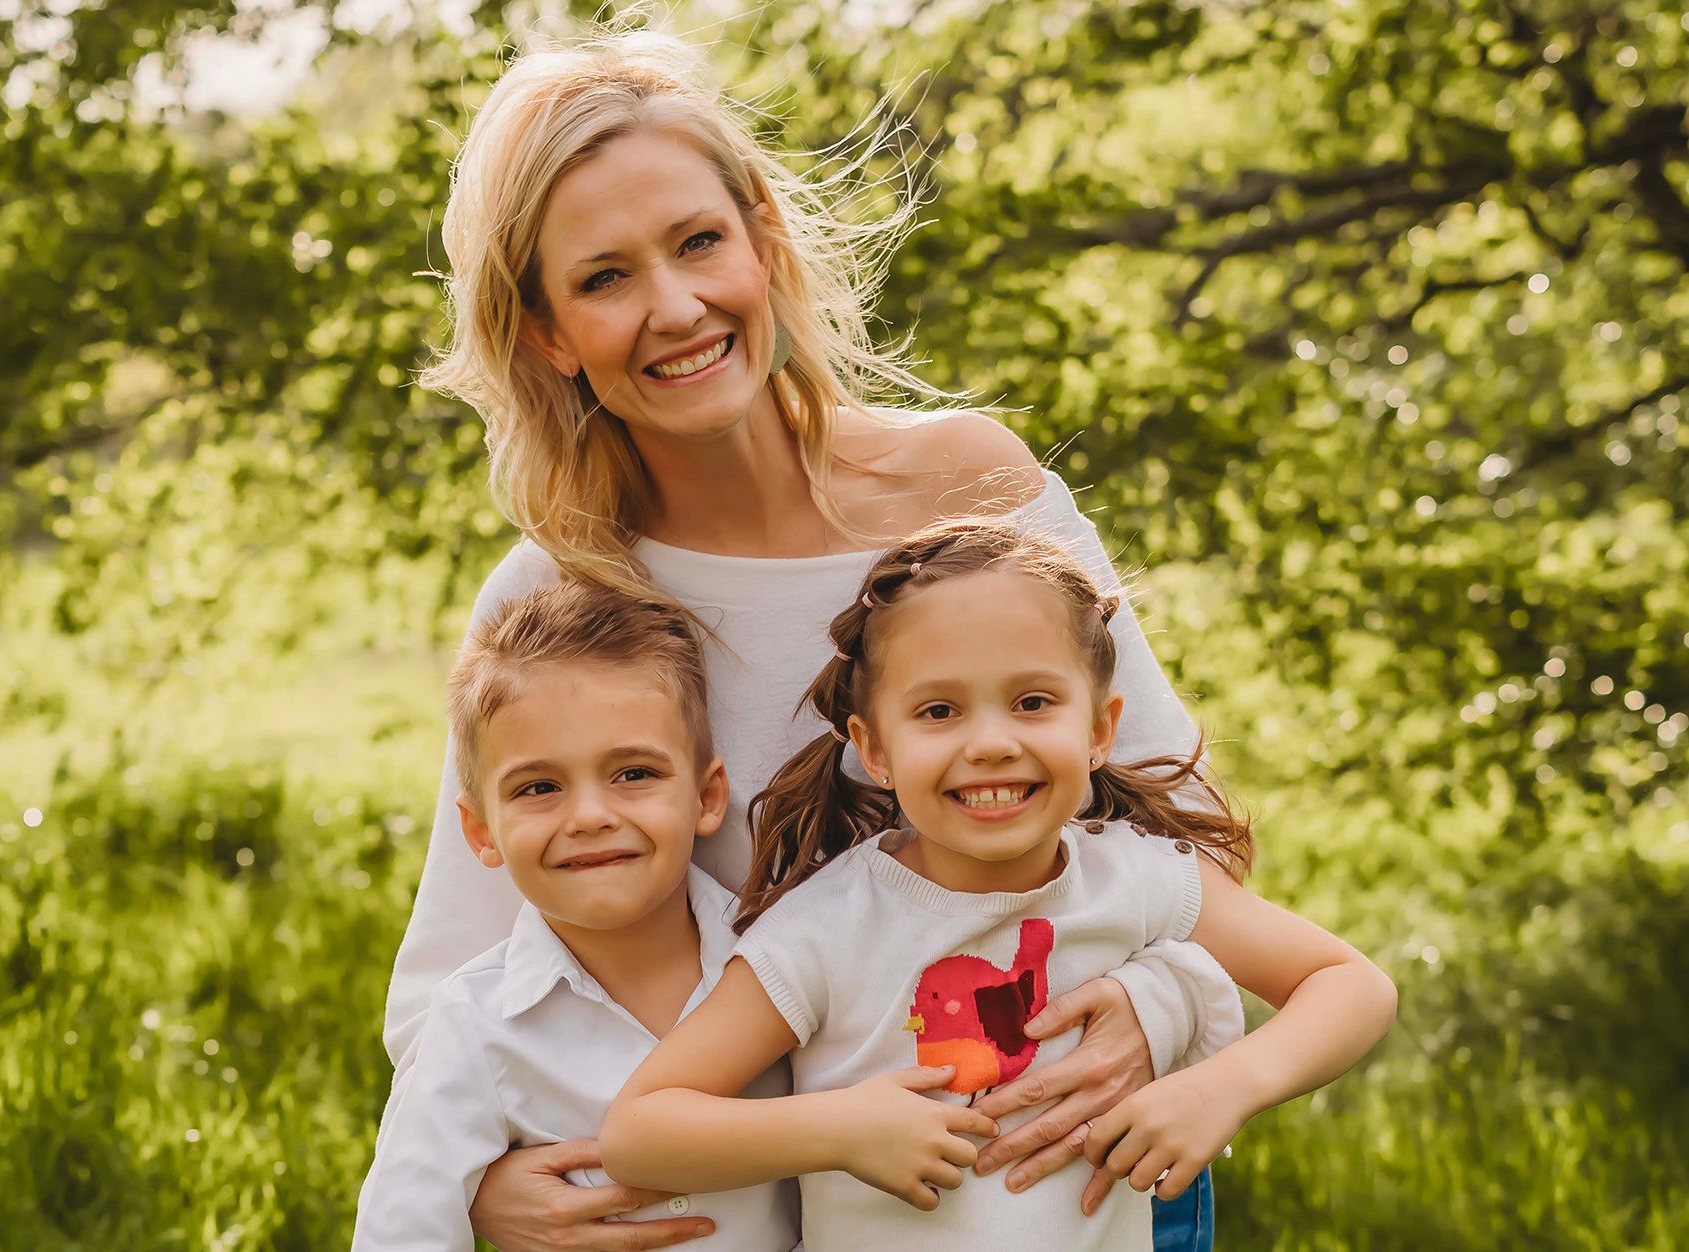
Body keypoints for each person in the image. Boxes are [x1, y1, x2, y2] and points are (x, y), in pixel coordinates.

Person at [393, 22, 1244, 1249]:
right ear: (543, 333)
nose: (675, 307)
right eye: (604, 278)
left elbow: (1173, 838)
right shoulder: (563, 595)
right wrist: (474, 1188)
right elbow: (458, 968)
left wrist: (1161, 1002)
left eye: (697, 243)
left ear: (762, 237)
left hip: (1063, 1171)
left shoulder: (970, 487)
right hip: (752, 1202)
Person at [601, 520, 1399, 1246]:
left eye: (1031, 702)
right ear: (873, 749)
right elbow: (642, 1131)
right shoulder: (830, 926)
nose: (990, 743)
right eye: (940, 711)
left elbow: (1351, 985)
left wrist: (1226, 1087)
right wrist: (837, 1130)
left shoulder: (1139, 876)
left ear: (1098, 730)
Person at [353, 581, 800, 1250]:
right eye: (540, 788)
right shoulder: (476, 1024)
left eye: (634, 774)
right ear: (481, 833)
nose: (590, 816)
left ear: (707, 797)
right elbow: (403, 1232)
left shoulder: (789, 957)